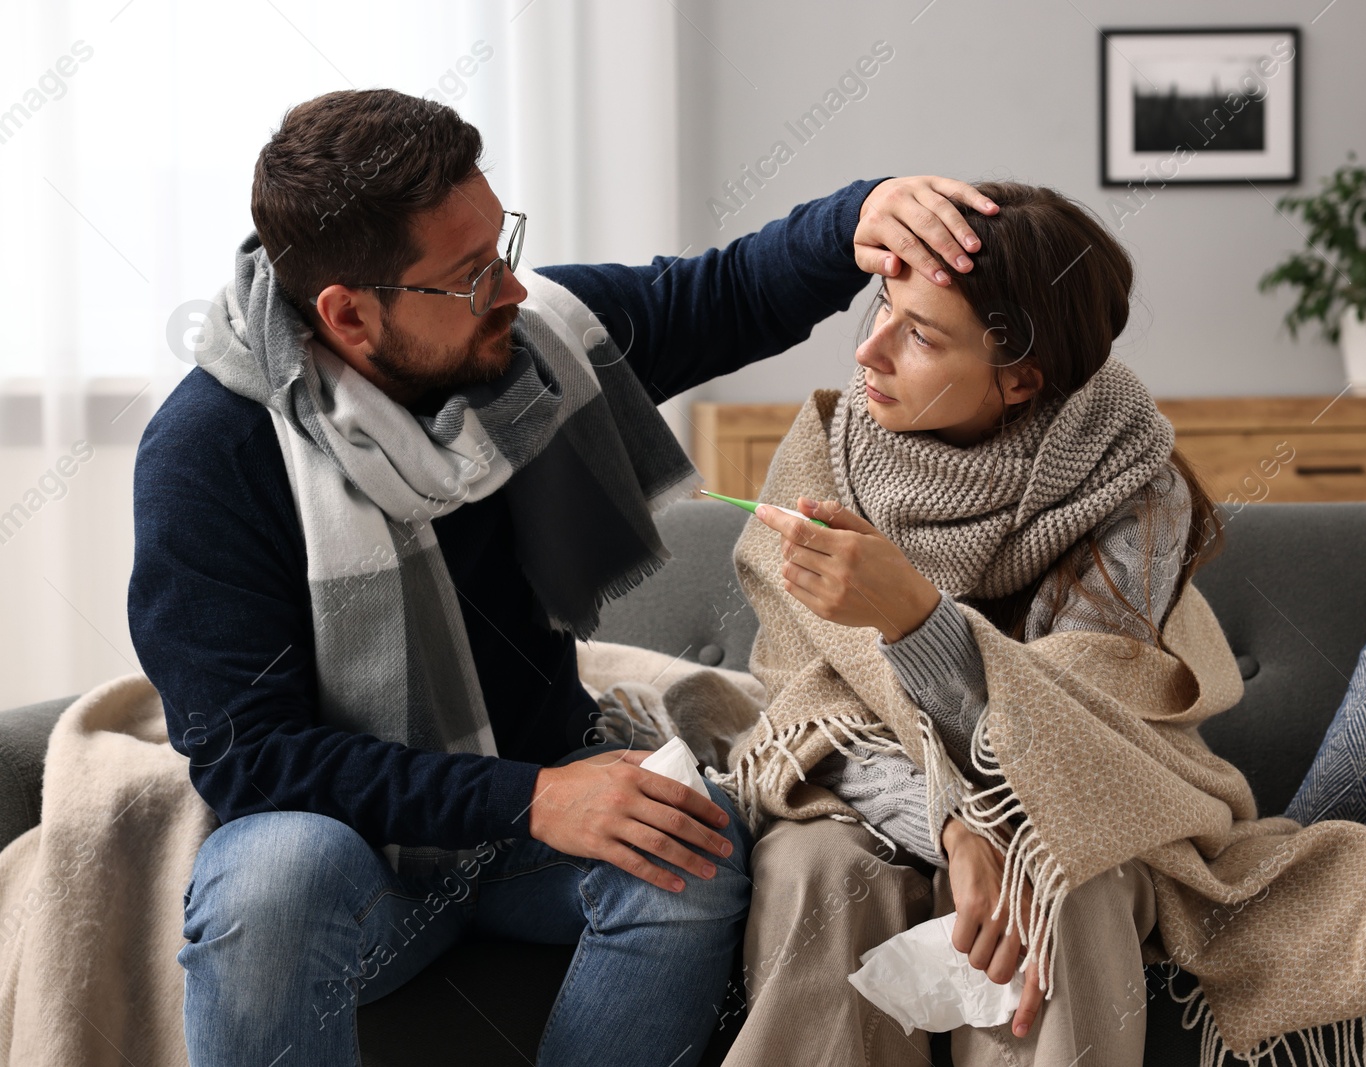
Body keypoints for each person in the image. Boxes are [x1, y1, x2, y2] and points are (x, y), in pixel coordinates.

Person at [127, 86, 993, 1067]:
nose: (510, 287)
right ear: (348, 313)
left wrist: (862, 215)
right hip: (347, 850)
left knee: (690, 840)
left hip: (521, 832)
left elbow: (720, 293)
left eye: (504, 245)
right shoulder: (207, 455)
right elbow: (253, 759)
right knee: (272, 871)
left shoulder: (530, 345)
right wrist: (530, 798)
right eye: (468, 275)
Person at [718, 180, 1220, 1067]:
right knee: (817, 868)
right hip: (875, 795)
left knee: (1061, 879)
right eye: (883, 305)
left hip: (1087, 800)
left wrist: (914, 618)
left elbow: (1080, 743)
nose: (868, 351)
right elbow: (808, 716)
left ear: (1020, 377)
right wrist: (951, 823)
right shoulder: (820, 457)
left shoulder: (1135, 486)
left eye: (919, 334)